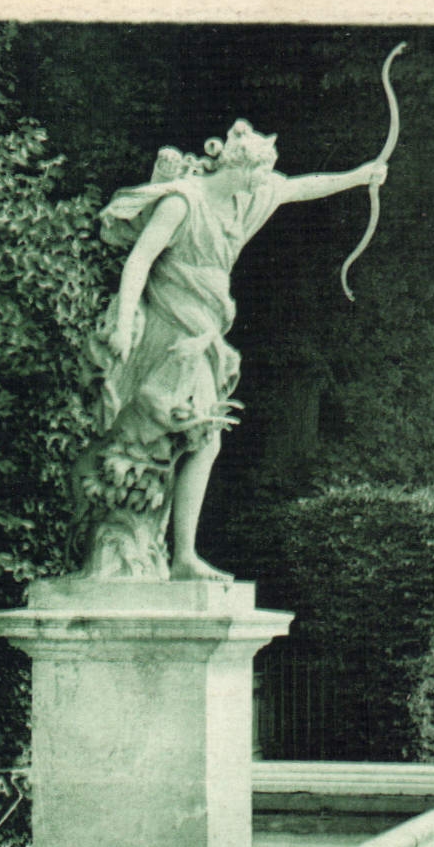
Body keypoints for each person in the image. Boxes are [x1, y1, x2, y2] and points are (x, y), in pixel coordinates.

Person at [75, 119, 387, 580]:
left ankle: (179, 555)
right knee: (166, 434)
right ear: (241, 169)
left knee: (200, 434)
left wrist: (360, 176)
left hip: (203, 334)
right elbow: (138, 259)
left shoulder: (248, 200)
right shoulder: (185, 201)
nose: (265, 184)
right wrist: (122, 324)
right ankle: (148, 551)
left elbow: (301, 187)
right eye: (261, 175)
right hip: (166, 332)